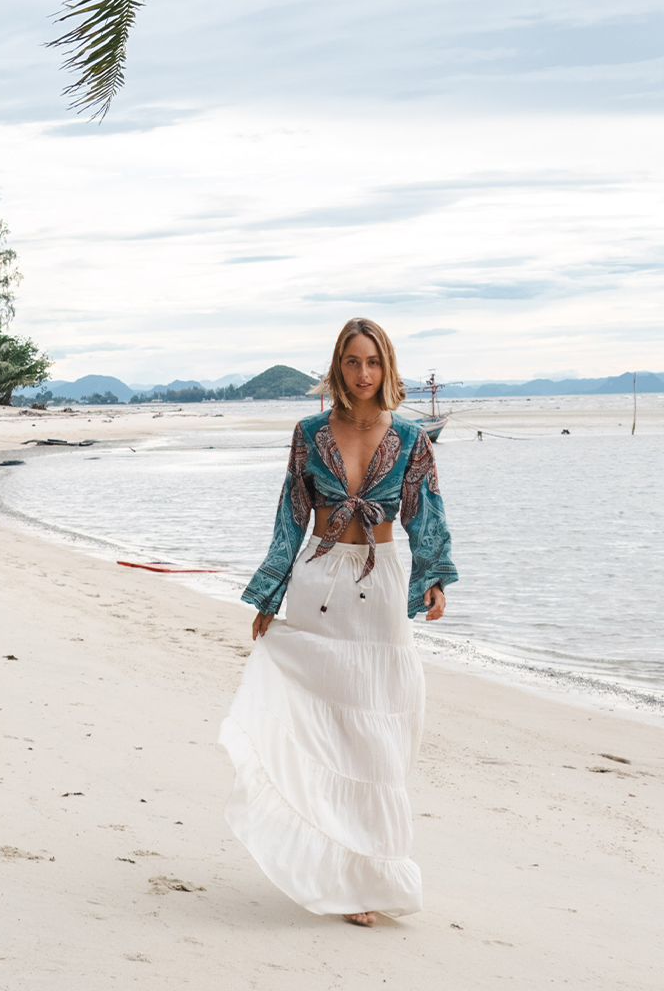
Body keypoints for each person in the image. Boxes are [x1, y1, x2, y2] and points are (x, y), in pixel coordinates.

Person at [219, 317, 457, 927]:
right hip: (318, 584)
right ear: (338, 367)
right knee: (322, 726)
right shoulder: (308, 433)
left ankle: (372, 874)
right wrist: (268, 593)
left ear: (388, 367)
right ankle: (333, 863)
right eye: (352, 361)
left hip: (379, 588)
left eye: (373, 361)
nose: (363, 373)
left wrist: (432, 577)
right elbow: (289, 515)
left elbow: (423, 512)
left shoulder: (408, 438)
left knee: (377, 734)